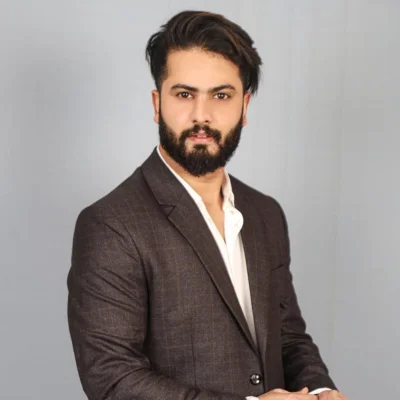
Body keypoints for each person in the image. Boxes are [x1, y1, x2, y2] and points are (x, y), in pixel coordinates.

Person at [67, 10, 348, 400]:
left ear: (244, 107)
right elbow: (112, 379)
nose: (202, 115)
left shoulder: (266, 213)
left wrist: (321, 389)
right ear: (157, 104)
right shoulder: (110, 224)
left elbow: (288, 336)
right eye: (184, 94)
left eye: (221, 95)